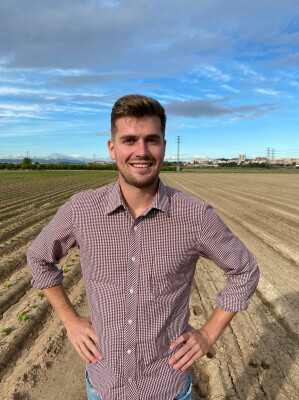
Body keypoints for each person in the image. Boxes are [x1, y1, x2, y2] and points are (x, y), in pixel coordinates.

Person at [27, 94, 260, 400]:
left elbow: (245, 270)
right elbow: (38, 258)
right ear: (112, 148)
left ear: (163, 146)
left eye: (152, 140)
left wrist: (207, 334)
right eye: (129, 140)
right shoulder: (81, 210)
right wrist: (69, 320)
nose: (141, 151)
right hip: (104, 385)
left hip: (168, 386)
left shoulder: (195, 216)